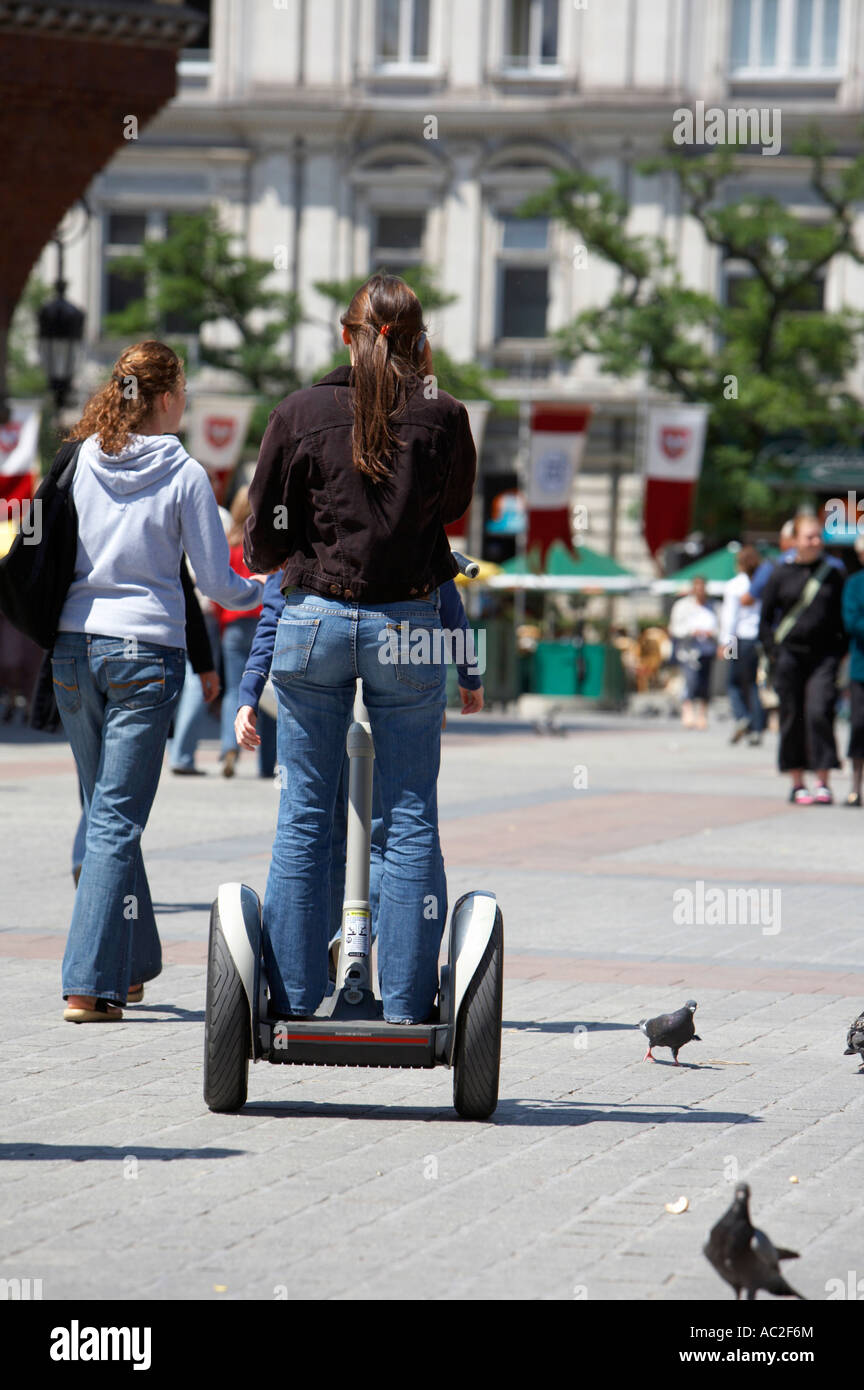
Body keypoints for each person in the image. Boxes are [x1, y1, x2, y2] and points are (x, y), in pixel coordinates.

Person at [244, 273, 476, 1024]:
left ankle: (291, 996)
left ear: (346, 335)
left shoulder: (300, 411)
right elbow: (453, 511)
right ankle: (408, 1003)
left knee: (305, 812)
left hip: (313, 617)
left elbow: (261, 538)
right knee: (408, 814)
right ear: (421, 343)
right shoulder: (445, 415)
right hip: (408, 623)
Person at [53, 340, 263, 1022]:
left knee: (105, 807)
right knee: (115, 817)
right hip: (144, 654)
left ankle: (134, 960)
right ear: (168, 398)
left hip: (73, 650)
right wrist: (272, 583)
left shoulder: (80, 458)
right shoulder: (184, 472)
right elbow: (218, 582)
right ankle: (88, 984)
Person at [234, 571, 484, 962]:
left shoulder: (305, 521)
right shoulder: (410, 516)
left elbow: (273, 614)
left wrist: (249, 691)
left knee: (309, 822)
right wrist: (466, 674)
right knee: (400, 823)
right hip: (400, 643)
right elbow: (447, 601)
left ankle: (300, 982)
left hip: (314, 642)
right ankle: (395, 983)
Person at [759, 513, 847, 804]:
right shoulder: (780, 573)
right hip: (789, 656)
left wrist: (839, 652)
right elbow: (764, 618)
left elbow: (843, 617)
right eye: (808, 536)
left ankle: (823, 781)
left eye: (818, 536)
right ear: (794, 540)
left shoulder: (834, 574)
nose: (815, 541)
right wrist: (773, 651)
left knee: (820, 712)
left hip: (823, 657)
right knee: (791, 716)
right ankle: (797, 782)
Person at [213, 487, 276, 779]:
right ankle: (268, 761)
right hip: (266, 619)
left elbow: (220, 589)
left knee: (234, 692)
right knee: (268, 690)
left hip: (235, 623)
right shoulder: (265, 542)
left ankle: (229, 747)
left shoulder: (230, 544)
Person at [719, 545, 766, 746]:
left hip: (738, 639)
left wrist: (725, 644)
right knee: (755, 685)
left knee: (733, 683)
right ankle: (756, 728)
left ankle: (742, 717)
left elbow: (730, 618)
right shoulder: (762, 583)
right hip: (759, 638)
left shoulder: (734, 585)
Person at [668, 576, 718, 730]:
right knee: (691, 681)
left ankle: (702, 714)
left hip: (708, 650)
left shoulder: (714, 606)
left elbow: (724, 629)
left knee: (705, 683)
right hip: (688, 651)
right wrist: (691, 632)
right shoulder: (682, 606)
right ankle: (688, 711)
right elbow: (674, 629)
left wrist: (727, 649)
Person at [842, 531, 864, 806]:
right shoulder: (854, 584)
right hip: (861, 668)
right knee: (859, 726)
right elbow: (852, 622)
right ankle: (855, 785)